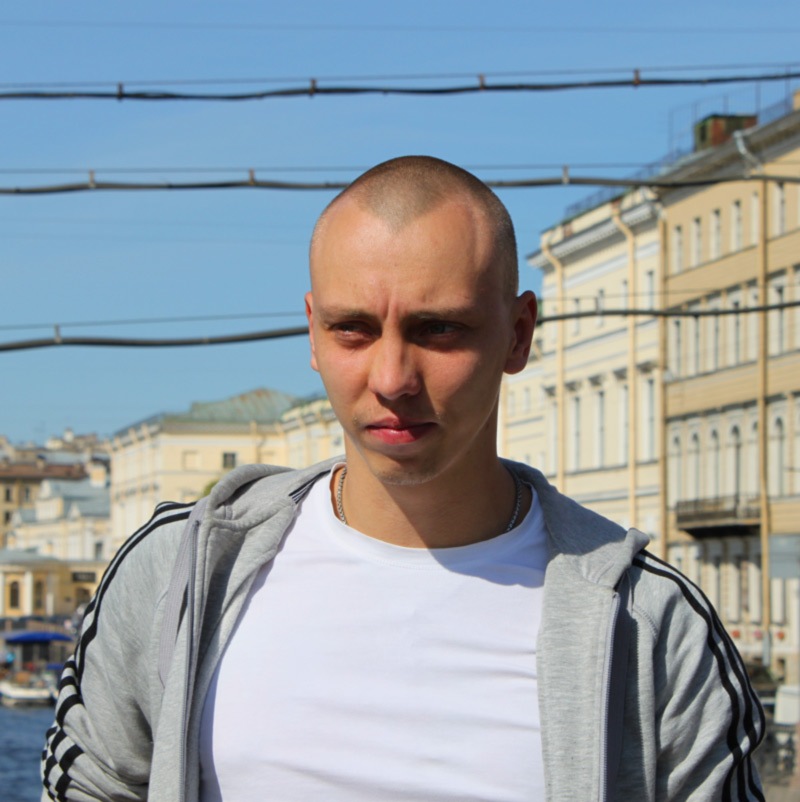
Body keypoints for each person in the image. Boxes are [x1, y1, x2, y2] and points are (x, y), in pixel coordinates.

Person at [42, 156, 765, 801]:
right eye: (352, 329)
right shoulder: (181, 571)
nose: (392, 379)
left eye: (439, 329)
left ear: (518, 335)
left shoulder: (651, 624)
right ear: (312, 332)